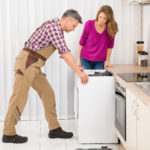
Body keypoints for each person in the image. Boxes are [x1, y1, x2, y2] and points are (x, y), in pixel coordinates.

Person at [2, 9, 88, 144]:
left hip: (34, 65)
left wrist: (77, 67)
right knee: (19, 96)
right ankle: (8, 133)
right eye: (74, 25)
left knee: (48, 93)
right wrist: (79, 72)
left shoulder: (55, 27)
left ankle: (54, 129)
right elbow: (64, 53)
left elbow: (65, 50)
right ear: (67, 20)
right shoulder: (53, 27)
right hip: (27, 63)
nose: (74, 29)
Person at [77, 5, 118, 70]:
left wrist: (107, 61)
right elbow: (81, 43)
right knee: (87, 79)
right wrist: (79, 61)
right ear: (98, 15)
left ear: (108, 19)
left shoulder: (110, 28)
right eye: (100, 17)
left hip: (99, 62)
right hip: (85, 60)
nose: (101, 20)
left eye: (105, 18)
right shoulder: (89, 24)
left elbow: (110, 47)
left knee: (98, 79)